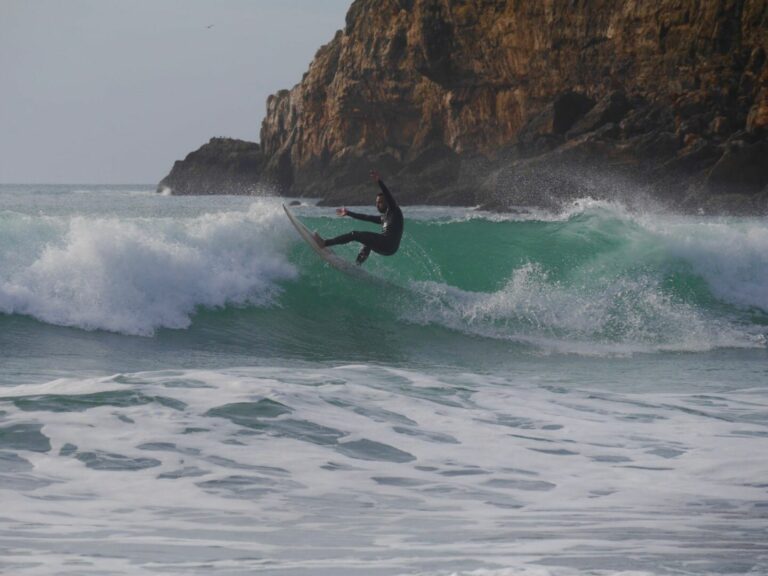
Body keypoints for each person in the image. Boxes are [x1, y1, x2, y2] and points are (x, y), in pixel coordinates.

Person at [315, 170, 404, 265]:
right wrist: (348, 213)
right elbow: (366, 217)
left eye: (380, 202)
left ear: (387, 202)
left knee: (354, 234)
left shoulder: (394, 210)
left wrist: (379, 181)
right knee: (367, 242)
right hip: (389, 248)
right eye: (377, 203)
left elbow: (388, 195)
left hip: (388, 244)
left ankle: (324, 243)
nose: (377, 205)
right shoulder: (384, 217)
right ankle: (357, 264)